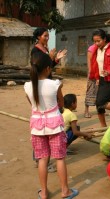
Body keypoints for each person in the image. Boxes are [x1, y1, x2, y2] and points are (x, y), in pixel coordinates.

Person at [24, 52, 78, 199]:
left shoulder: (27, 86)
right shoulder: (55, 84)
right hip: (54, 124)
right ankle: (65, 191)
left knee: (42, 159)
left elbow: (32, 105)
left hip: (37, 126)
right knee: (60, 158)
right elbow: (61, 103)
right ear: (48, 68)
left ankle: (44, 192)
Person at [89, 29, 110, 127]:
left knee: (101, 102)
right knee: (98, 105)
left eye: (98, 41)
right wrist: (97, 78)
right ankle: (103, 127)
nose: (96, 43)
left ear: (104, 39)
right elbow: (96, 65)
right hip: (101, 80)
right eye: (95, 41)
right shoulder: (97, 50)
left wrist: (109, 72)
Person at [84, 44, 99, 118]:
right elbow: (89, 61)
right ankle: (86, 111)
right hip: (93, 73)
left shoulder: (103, 48)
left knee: (101, 92)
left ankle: (100, 110)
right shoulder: (92, 48)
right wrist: (90, 72)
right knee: (90, 91)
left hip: (101, 73)